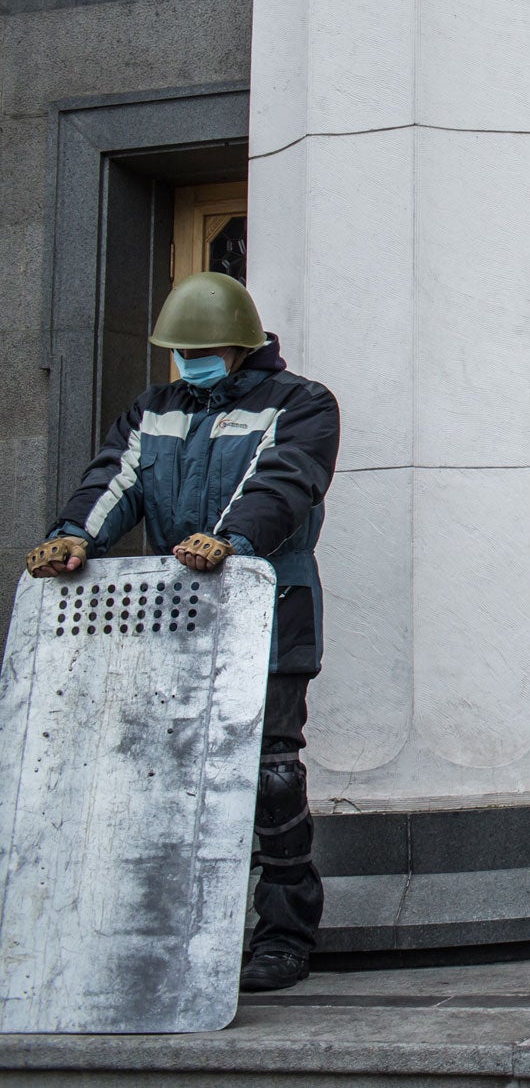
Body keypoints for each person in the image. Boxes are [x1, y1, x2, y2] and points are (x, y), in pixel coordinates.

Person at [24, 272, 340, 993]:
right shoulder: (154, 410)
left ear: (238, 345)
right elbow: (115, 478)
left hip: (269, 615)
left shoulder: (300, 403)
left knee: (270, 774)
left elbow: (287, 480)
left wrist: (230, 539)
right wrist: (75, 537)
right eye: (180, 350)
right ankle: (185, 927)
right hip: (174, 622)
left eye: (200, 350)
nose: (187, 361)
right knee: (169, 781)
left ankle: (286, 930)